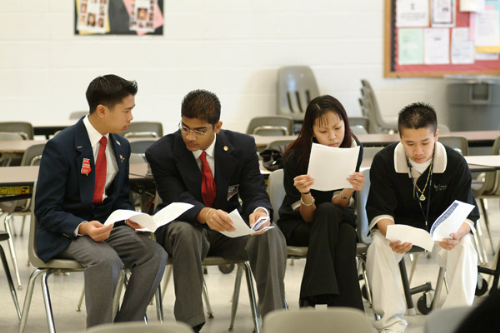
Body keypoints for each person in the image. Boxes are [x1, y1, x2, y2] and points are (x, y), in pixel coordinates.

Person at [145, 89, 287, 332]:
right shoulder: (161, 152)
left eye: (200, 130)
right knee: (186, 234)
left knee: (269, 233)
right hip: (183, 225)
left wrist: (259, 212)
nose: (190, 137)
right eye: (185, 127)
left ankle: (275, 322)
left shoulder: (242, 147)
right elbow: (175, 198)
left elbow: (254, 192)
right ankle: (190, 326)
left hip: (228, 228)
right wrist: (206, 214)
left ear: (217, 127)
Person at [35, 74, 167, 328]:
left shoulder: (121, 146)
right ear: (102, 110)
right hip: (66, 231)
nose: (131, 117)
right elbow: (45, 210)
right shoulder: (60, 146)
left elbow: (120, 199)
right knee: (106, 260)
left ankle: (125, 327)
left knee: (155, 254)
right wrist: (83, 227)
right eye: (127, 110)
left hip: (105, 227)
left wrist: (131, 218)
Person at [366, 102, 479, 333]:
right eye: (410, 143)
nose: (418, 151)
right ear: (399, 137)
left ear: (436, 135)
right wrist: (393, 235)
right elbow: (380, 212)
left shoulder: (455, 163)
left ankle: (456, 322)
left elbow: (469, 214)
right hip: (399, 232)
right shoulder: (385, 161)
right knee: (378, 245)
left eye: (425, 142)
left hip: (443, 235)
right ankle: (391, 323)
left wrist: (455, 234)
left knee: (465, 247)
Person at [278, 95, 364, 310]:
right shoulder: (295, 156)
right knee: (341, 231)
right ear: (311, 131)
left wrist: (349, 189)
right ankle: (349, 316)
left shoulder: (353, 147)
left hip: (335, 215)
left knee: (330, 213)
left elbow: (339, 204)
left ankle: (310, 298)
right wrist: (305, 193)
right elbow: (308, 216)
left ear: (345, 122)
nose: (333, 137)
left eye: (338, 128)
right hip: (300, 223)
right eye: (323, 132)